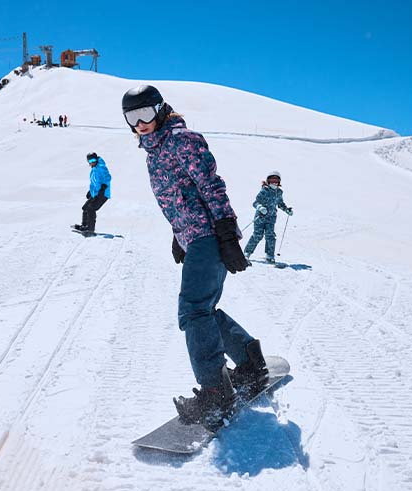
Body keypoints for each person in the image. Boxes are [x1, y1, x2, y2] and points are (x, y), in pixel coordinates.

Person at [121, 84, 269, 428]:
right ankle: (248, 359)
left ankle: (216, 393)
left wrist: (228, 231)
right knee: (203, 309)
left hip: (209, 235)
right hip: (193, 237)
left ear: (160, 109)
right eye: (132, 116)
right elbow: (179, 198)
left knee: (193, 310)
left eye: (145, 113)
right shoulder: (154, 151)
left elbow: (211, 185)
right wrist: (178, 235)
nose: (140, 123)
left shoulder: (182, 140)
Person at [243, 172, 293, 263]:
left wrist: (287, 210)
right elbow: (255, 203)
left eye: (276, 180)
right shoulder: (264, 190)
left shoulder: (279, 192)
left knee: (270, 236)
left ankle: (270, 255)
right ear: (268, 181)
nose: (274, 182)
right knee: (257, 235)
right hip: (260, 217)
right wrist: (260, 208)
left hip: (271, 218)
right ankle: (246, 253)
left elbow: (280, 204)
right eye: (272, 180)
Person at [74, 152, 111, 234]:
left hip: (103, 194)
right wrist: (91, 192)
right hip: (96, 193)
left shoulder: (101, 167)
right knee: (85, 208)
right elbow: (95, 183)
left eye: (93, 160)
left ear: (97, 159)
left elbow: (108, 177)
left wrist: (103, 187)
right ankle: (84, 226)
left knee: (91, 208)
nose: (92, 162)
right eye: (90, 161)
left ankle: (90, 228)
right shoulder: (94, 169)